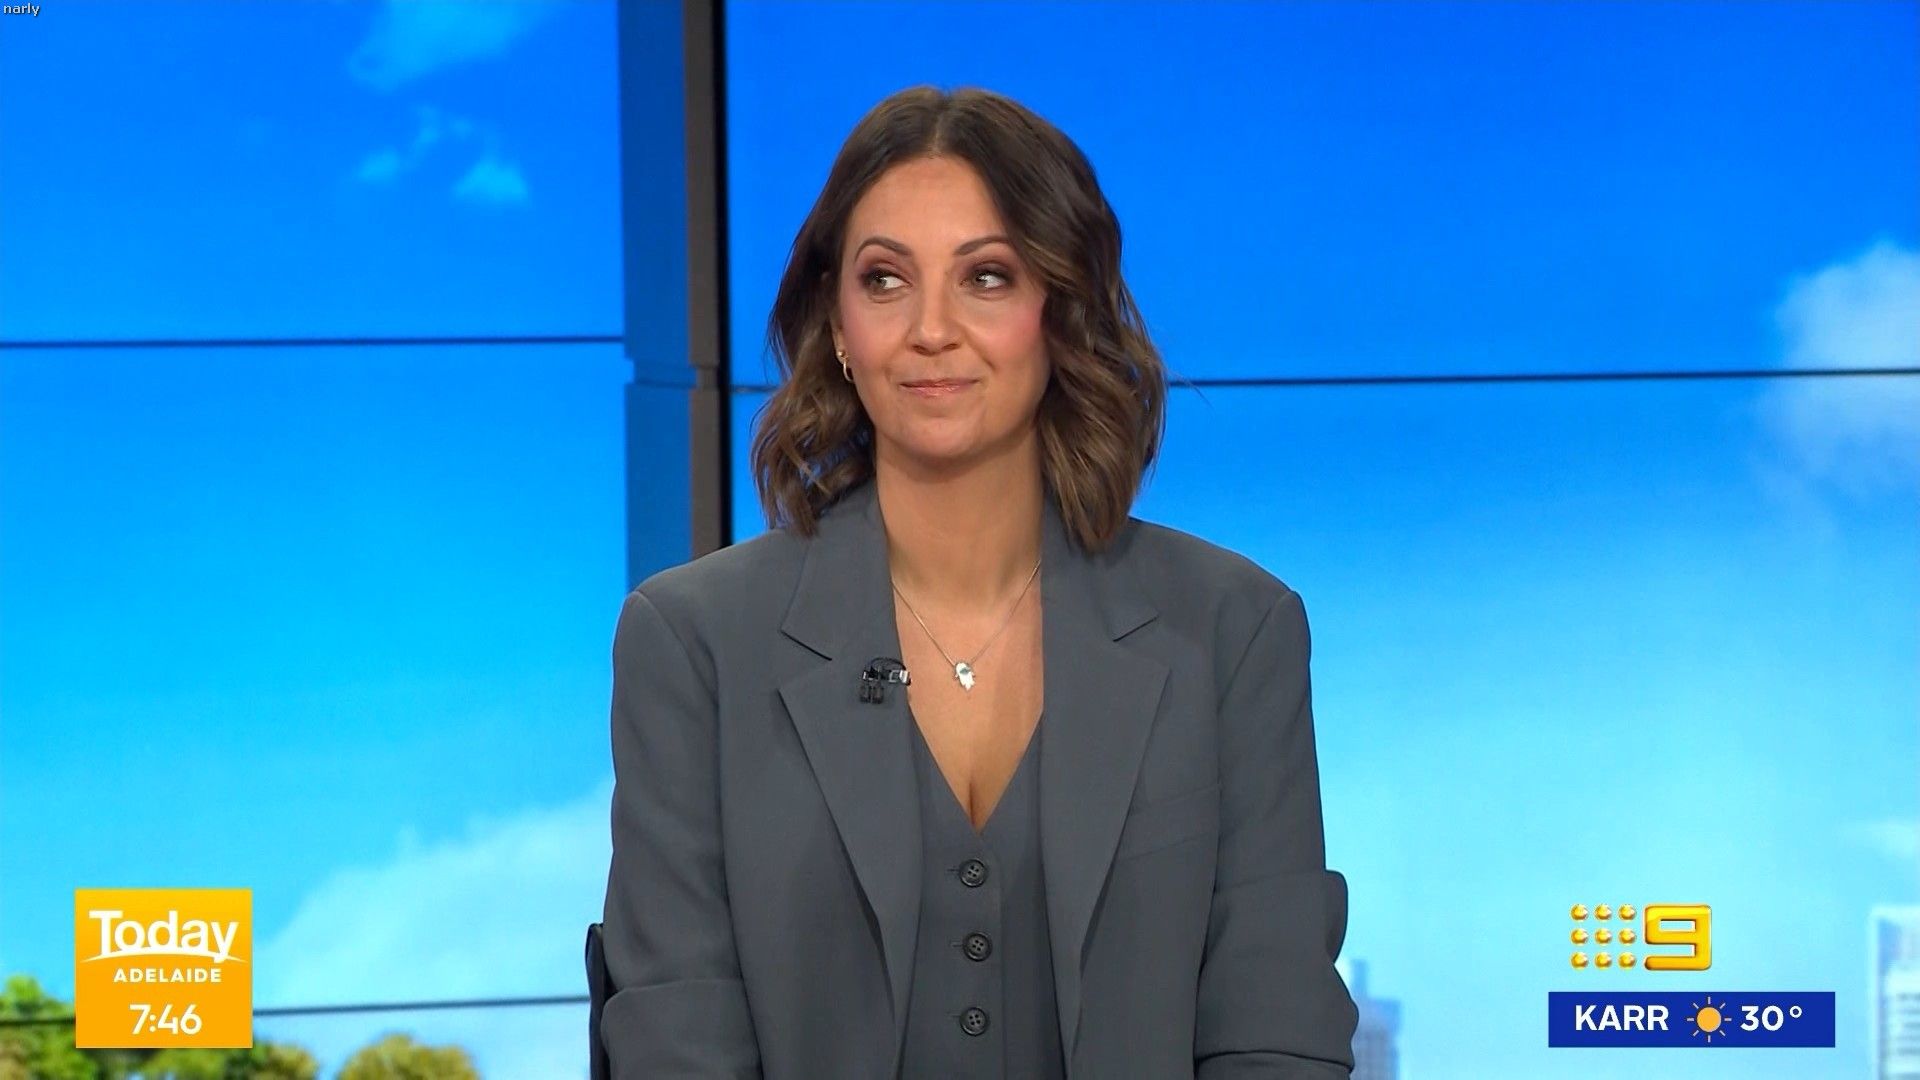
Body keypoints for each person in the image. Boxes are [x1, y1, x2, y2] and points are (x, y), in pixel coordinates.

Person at [599, 84, 1358, 1079]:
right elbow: (675, 1043)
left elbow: (1276, 1033)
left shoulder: (1232, 631)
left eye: (986, 277)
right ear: (838, 324)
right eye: (885, 280)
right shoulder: (693, 644)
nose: (932, 329)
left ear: (1061, 312)